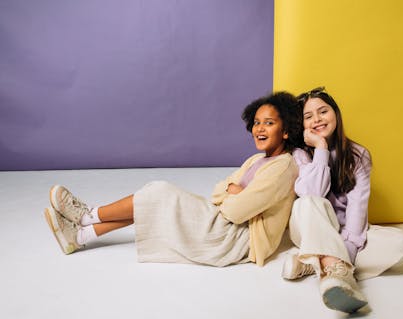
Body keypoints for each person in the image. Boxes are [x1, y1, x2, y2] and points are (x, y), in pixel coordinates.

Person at [44, 91, 302, 267]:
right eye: (256, 122)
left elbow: (235, 212)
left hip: (236, 239)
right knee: (156, 199)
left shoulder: (283, 167)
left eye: (268, 123)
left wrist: (233, 193)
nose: (259, 129)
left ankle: (87, 215)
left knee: (158, 193)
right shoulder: (257, 160)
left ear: (287, 130)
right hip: (223, 221)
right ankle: (81, 235)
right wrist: (232, 191)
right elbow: (218, 191)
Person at [282, 87, 403, 313]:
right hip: (310, 227)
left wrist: (348, 248)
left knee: (402, 244)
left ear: (336, 113)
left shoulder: (358, 154)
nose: (317, 120)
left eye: (323, 111)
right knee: (308, 202)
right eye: (308, 116)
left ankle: (315, 263)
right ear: (301, 125)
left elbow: (357, 207)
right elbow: (313, 193)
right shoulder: (299, 153)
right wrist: (321, 147)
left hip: (346, 233)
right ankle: (335, 270)